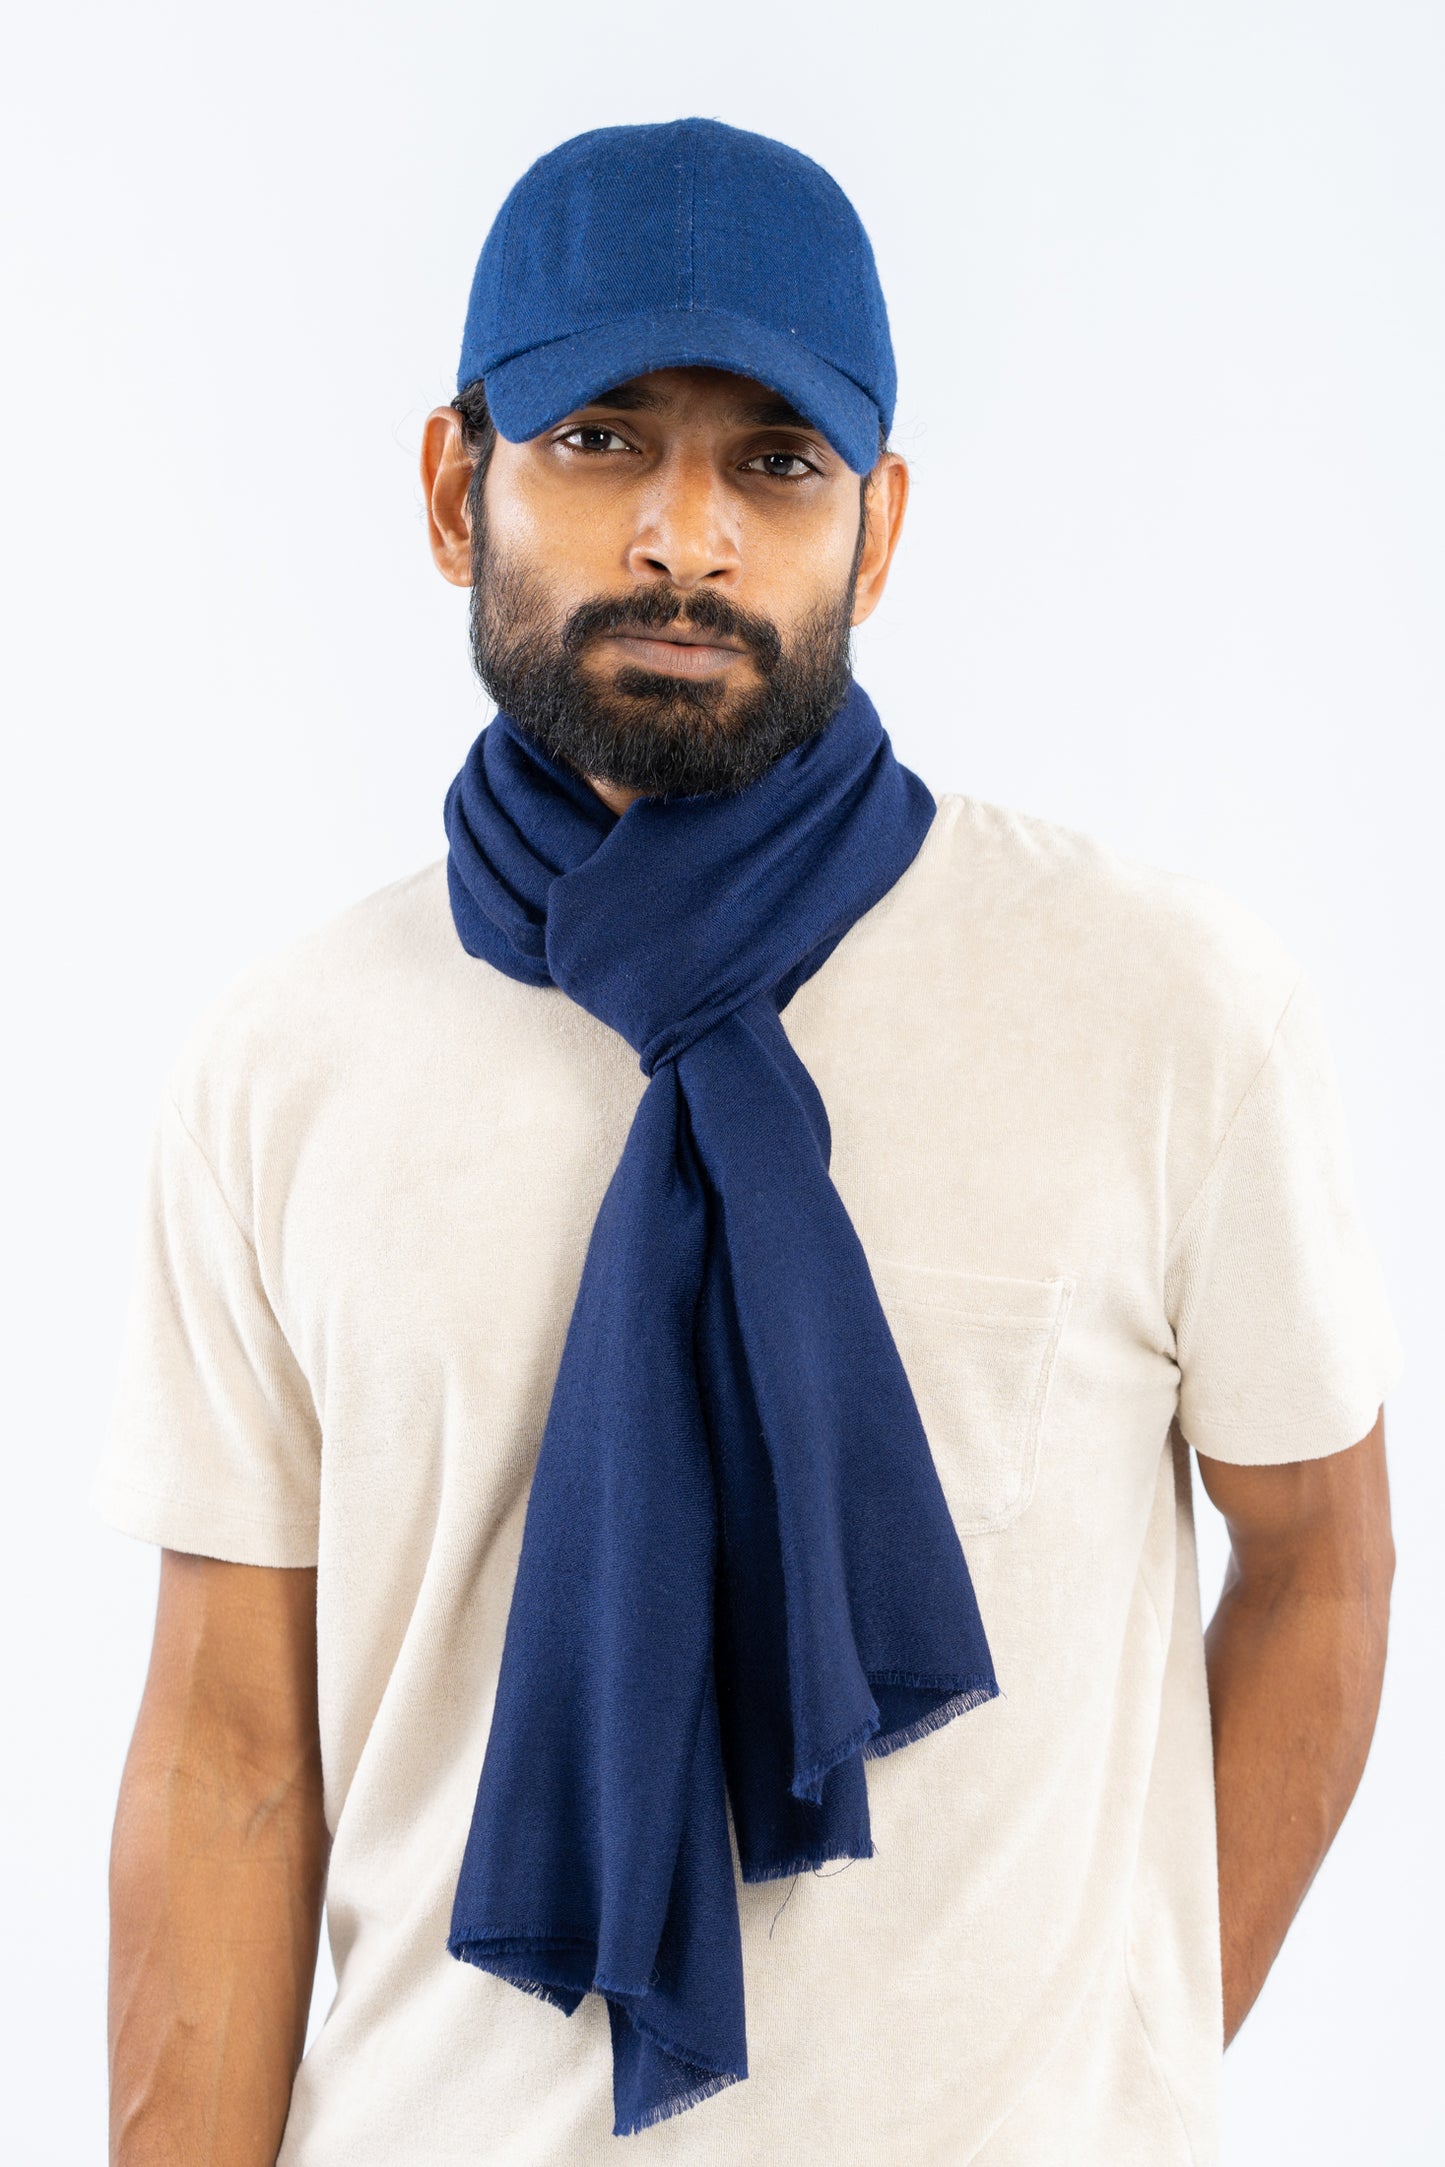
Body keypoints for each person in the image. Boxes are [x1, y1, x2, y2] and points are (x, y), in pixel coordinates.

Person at [94, 118, 1403, 2166]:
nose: (683, 538)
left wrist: (1117, 2077)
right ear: (453, 487)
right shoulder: (288, 1066)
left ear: (876, 533)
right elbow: (231, 1748)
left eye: (775, 462)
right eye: (600, 439)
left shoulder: (1159, 1011)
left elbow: (1322, 1563)